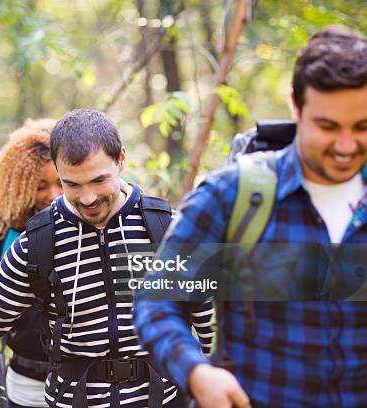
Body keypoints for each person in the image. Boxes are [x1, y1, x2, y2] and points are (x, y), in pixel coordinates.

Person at [0, 109, 213, 408]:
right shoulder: (37, 245)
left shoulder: (168, 230)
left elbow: (211, 327)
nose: (88, 198)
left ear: (121, 159)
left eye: (99, 180)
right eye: (72, 184)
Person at [134, 25, 366, 407]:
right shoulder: (233, 195)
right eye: (327, 127)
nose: (345, 145)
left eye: (362, 127)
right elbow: (156, 300)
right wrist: (196, 372)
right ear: (296, 106)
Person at [0, 118, 62, 407]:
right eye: (41, 186)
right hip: (23, 381)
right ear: (21, 184)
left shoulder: (83, 226)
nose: (53, 195)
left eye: (60, 183)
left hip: (76, 381)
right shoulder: (3, 231)